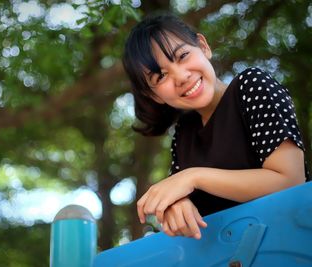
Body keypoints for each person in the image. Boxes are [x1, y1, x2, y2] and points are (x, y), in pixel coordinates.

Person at [122, 13, 308, 240]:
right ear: (154, 95)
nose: (181, 76)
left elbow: (291, 181)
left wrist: (194, 177)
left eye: (182, 56)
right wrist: (175, 207)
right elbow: (182, 208)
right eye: (160, 76)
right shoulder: (183, 134)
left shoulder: (252, 86)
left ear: (203, 46)